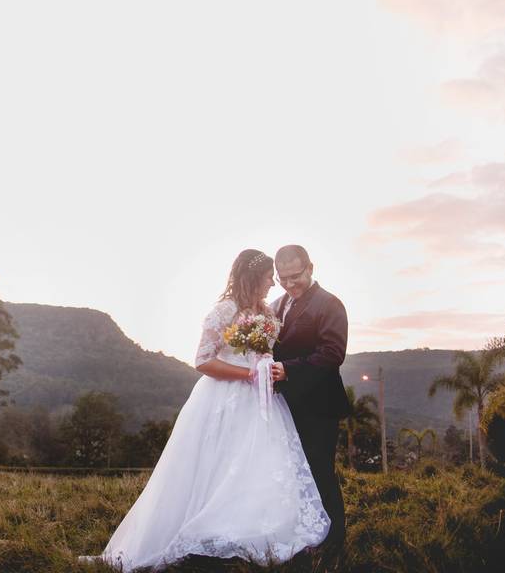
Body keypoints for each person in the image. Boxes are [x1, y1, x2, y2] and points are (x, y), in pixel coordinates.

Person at [79, 249, 329, 572]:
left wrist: (265, 366)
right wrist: (247, 374)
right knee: (222, 465)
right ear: (254, 278)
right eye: (270, 277)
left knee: (257, 466)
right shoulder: (224, 311)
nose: (273, 284)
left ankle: (253, 533)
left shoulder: (267, 310)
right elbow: (203, 360)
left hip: (263, 402)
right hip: (226, 399)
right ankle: (205, 534)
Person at [269, 244, 352, 558]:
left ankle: (333, 539)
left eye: (296, 276)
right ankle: (305, 532)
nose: (290, 284)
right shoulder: (275, 306)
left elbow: (333, 354)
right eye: (283, 278)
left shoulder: (330, 304)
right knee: (293, 473)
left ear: (310, 268)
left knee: (319, 471)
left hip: (319, 406)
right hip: (284, 406)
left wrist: (288, 370)